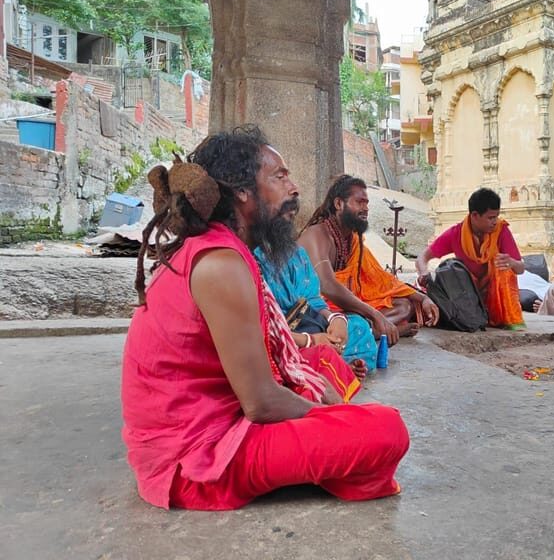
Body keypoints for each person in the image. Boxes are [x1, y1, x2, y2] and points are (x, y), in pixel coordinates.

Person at [121, 126, 409, 511]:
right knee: (386, 428)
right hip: (198, 459)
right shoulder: (221, 263)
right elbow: (260, 403)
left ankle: (332, 440)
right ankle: (338, 442)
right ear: (242, 192)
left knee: (320, 362)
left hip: (212, 425)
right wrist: (333, 416)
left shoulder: (224, 250)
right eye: (279, 176)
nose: (294, 188)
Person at [299, 175, 439, 346]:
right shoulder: (317, 234)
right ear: (338, 204)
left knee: (404, 306)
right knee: (337, 320)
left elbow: (382, 279)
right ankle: (375, 330)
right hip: (314, 310)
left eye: (366, 203)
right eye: (359, 202)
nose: (365, 208)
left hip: (344, 308)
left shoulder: (352, 240)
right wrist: (375, 314)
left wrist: (422, 298)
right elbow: (328, 286)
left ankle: (372, 329)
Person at [255, 241, 377, 377]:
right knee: (272, 355)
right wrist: (309, 341)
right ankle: (333, 366)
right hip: (279, 339)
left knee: (359, 327)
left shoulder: (295, 252)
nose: (287, 219)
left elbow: (313, 300)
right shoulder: (246, 259)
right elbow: (257, 330)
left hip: (308, 324)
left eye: (289, 217)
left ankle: (332, 363)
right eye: (281, 217)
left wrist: (336, 320)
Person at [416, 188, 525, 329]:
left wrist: (512, 263)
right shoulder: (456, 233)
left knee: (503, 269)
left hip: (495, 300)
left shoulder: (501, 230)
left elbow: (521, 269)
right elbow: (422, 258)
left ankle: (504, 318)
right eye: (490, 217)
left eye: (496, 217)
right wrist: (424, 273)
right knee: (449, 268)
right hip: (467, 297)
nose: (495, 222)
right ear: (474, 215)